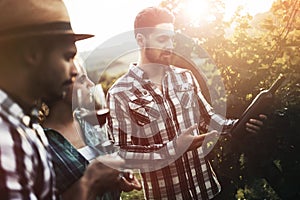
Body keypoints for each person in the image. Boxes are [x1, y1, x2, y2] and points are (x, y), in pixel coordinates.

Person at [107, 6, 267, 199]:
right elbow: (123, 154)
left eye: (172, 38)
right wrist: (172, 149)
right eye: (162, 39)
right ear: (141, 40)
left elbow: (207, 118)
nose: (170, 45)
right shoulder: (119, 93)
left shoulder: (185, 77)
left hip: (208, 190)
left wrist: (240, 124)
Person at [0, 0, 129, 199]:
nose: (75, 70)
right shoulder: (6, 139)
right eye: (68, 57)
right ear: (32, 53)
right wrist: (91, 180)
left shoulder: (26, 126)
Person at [43, 58, 141, 199]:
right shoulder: (41, 142)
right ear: (59, 86)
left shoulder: (87, 122)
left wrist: (119, 179)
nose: (91, 84)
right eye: (82, 80)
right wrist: (91, 181)